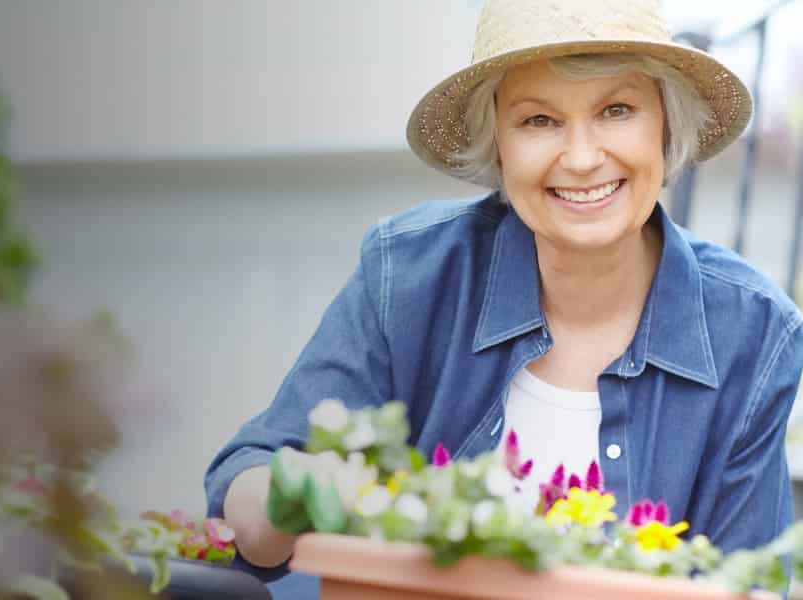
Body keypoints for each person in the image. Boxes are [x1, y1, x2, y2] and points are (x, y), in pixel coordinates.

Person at [204, 0, 803, 594]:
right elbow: (246, 495)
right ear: (498, 143)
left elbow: (749, 584)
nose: (583, 157)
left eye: (616, 110)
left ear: (666, 125)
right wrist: (282, 494)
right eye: (537, 121)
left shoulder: (751, 332)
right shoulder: (410, 275)